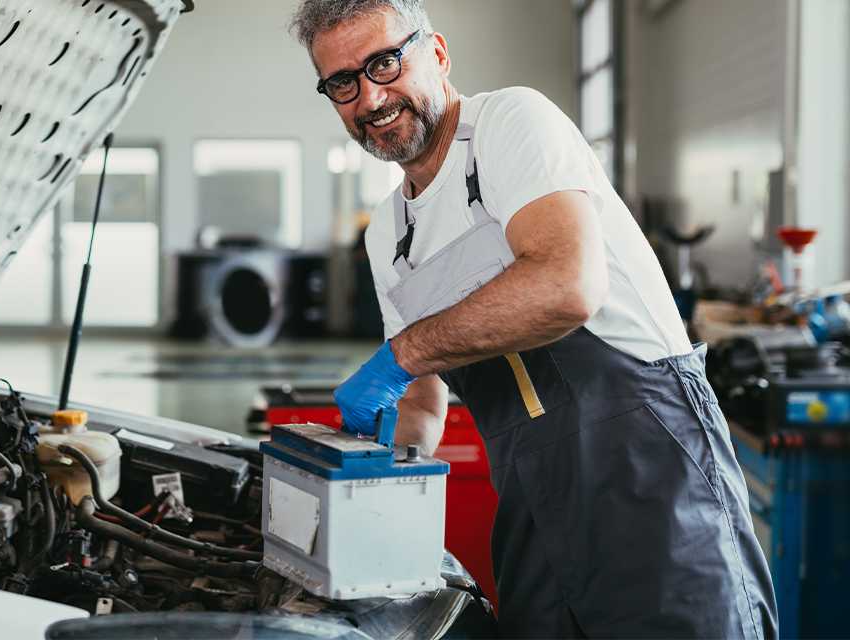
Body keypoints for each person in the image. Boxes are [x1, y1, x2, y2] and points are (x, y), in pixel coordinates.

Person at [289, 1, 777, 637]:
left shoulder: (510, 124)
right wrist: (370, 470)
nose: (372, 97)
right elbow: (422, 402)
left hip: (650, 479)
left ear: (436, 54)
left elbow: (565, 286)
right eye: (343, 83)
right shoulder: (389, 232)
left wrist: (399, 358)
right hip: (528, 501)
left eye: (385, 63)